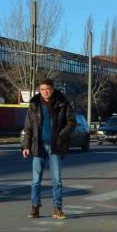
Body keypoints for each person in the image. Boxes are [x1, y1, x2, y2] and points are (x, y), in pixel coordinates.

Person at [21, 78, 76, 219]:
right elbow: (28, 126)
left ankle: (58, 209)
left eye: (48, 89)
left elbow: (72, 122)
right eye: (43, 89)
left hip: (55, 145)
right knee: (36, 180)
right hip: (38, 145)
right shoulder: (34, 104)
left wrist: (60, 136)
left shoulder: (62, 102)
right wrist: (26, 146)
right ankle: (35, 207)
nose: (45, 92)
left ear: (53, 89)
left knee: (57, 180)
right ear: (40, 90)